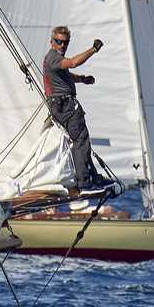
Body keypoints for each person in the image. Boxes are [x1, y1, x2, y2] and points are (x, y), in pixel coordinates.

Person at [43, 25, 105, 191]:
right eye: (59, 42)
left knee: (81, 140)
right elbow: (73, 63)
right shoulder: (54, 58)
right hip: (66, 106)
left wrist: (83, 79)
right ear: (52, 42)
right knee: (80, 140)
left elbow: (67, 75)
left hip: (61, 105)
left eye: (65, 43)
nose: (62, 45)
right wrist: (94, 49)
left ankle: (93, 177)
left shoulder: (53, 60)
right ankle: (85, 182)